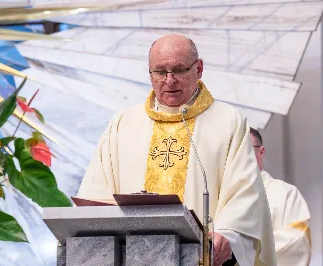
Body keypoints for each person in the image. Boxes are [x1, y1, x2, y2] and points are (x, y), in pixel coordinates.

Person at [77, 34, 276, 266]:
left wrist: (229, 232)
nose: (169, 81)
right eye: (160, 72)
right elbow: (95, 194)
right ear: (149, 72)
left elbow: (244, 189)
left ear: (199, 68)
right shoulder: (123, 123)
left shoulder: (228, 121)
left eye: (179, 70)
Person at [250, 128, 311, 266]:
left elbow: (297, 240)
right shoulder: (221, 196)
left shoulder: (286, 193)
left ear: (261, 151)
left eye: (246, 148)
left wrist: (245, 252)